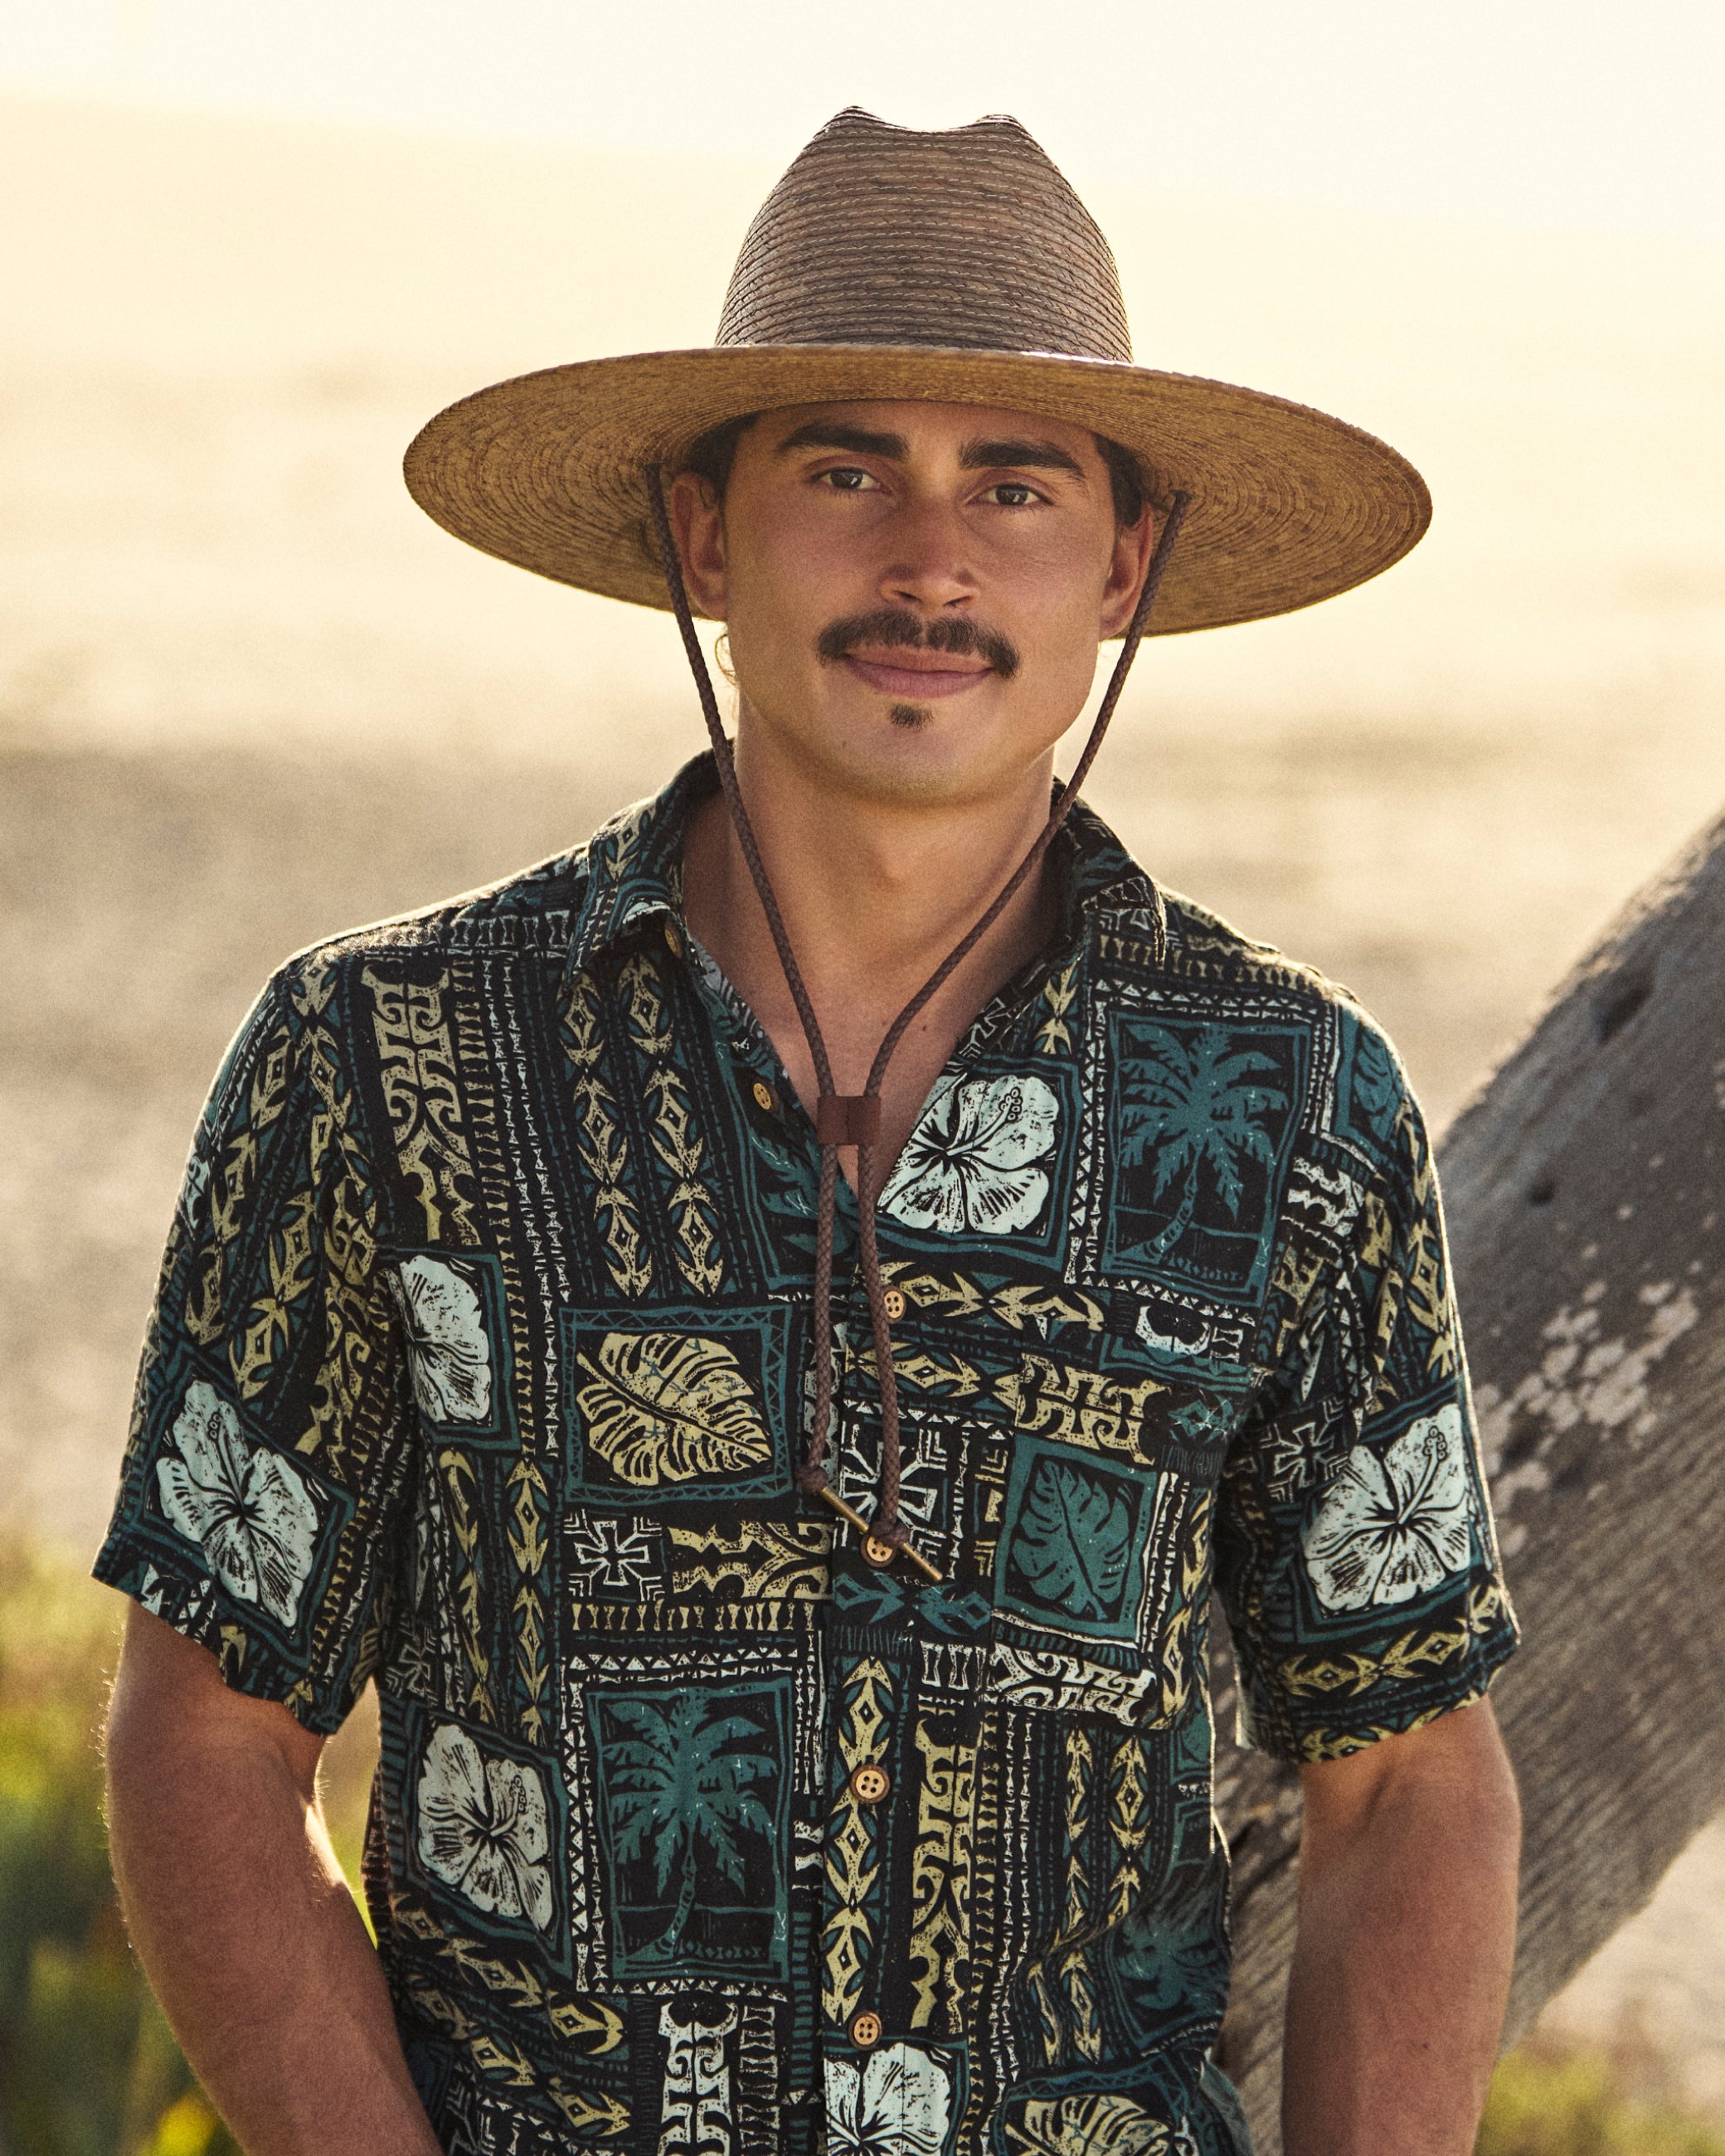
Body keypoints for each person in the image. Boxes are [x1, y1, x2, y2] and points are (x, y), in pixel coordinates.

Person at [98, 108, 1522, 2156]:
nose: (928, 560)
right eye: (843, 468)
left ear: (1122, 564)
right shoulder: (384, 1058)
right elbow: (212, 1726)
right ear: (702, 533)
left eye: (1011, 486)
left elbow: (1405, 1768)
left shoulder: (1293, 1106)